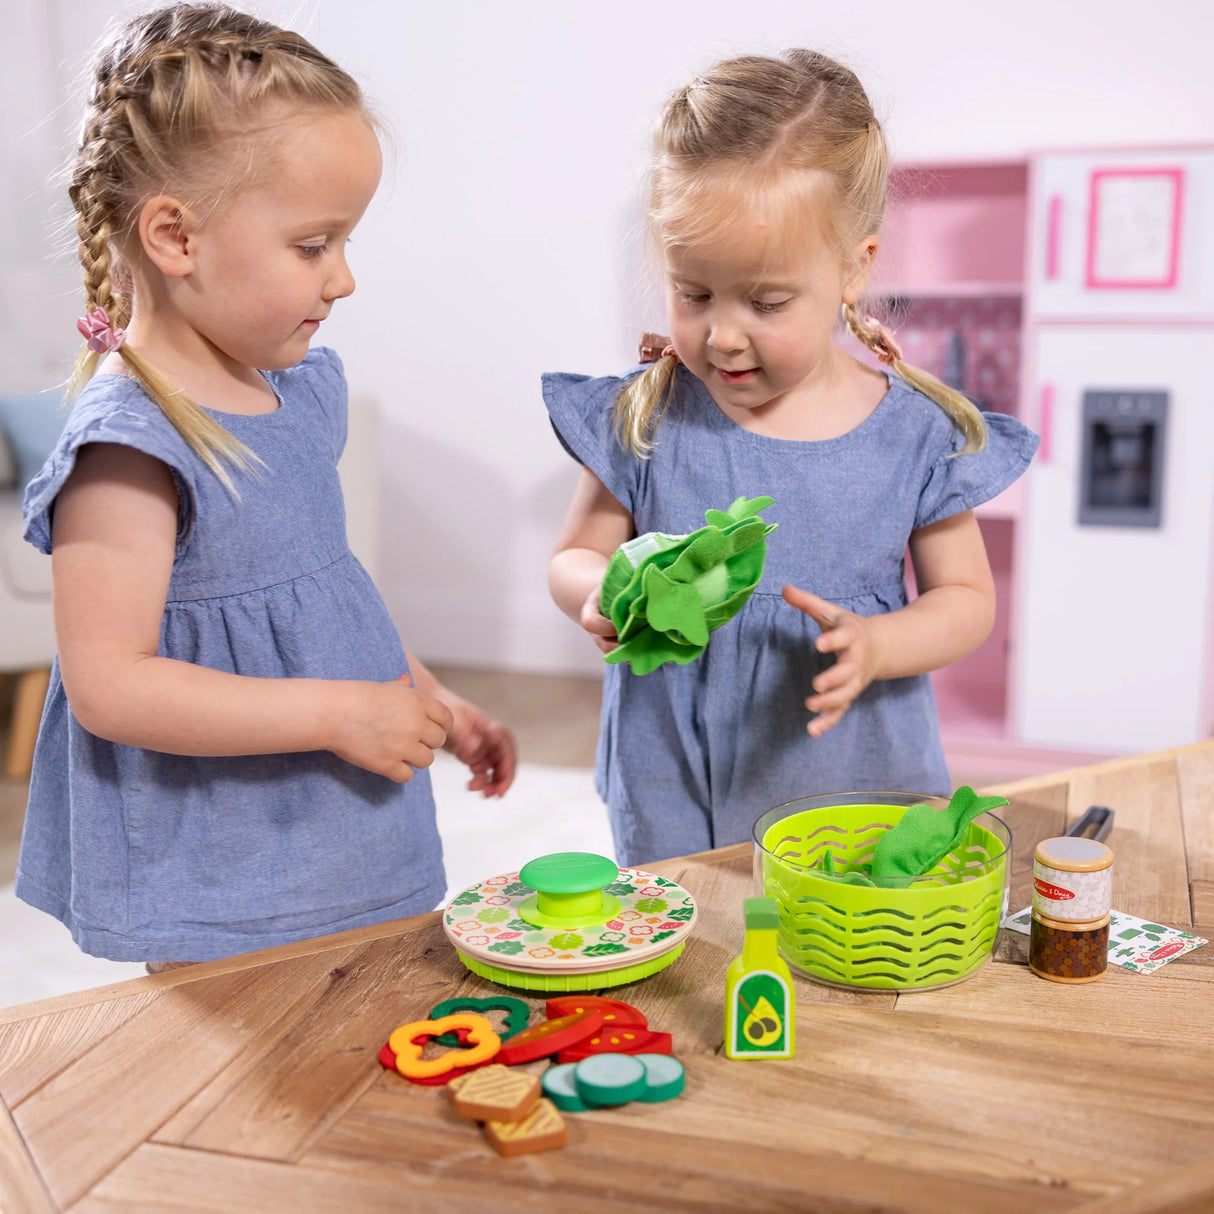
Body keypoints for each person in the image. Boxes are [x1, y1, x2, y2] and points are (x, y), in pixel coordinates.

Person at [17, 2, 515, 966]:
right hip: (224, 876)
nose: (343, 280)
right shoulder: (130, 445)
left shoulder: (290, 394)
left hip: (346, 841)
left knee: (363, 1052)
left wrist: (429, 700)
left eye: (344, 244)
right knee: (244, 1092)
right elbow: (111, 686)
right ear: (175, 236)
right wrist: (337, 713)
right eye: (313, 245)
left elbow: (316, 599)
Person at [545, 50, 1038, 868]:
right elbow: (572, 555)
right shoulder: (646, 411)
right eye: (693, 294)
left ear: (855, 269)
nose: (722, 335)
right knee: (692, 933)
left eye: (767, 302)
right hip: (672, 767)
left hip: (849, 769)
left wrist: (880, 646)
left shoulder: (912, 434)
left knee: (839, 946)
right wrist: (598, 595)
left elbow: (965, 600)